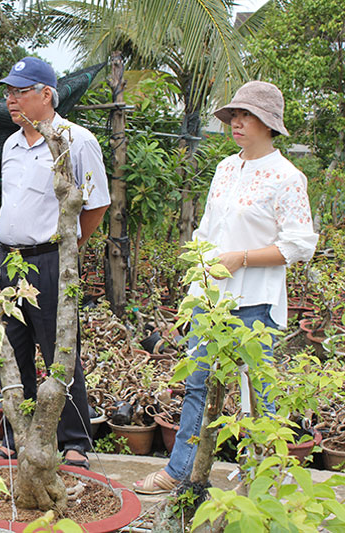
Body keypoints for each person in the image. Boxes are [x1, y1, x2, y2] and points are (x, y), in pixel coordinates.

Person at [133, 81, 318, 494]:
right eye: (234, 115)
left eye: (246, 115)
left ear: (268, 124)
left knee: (259, 394)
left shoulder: (287, 177)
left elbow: (300, 244)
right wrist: (196, 283)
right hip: (212, 301)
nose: (237, 122)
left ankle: (262, 478)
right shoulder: (225, 168)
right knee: (197, 384)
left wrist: (242, 258)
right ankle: (179, 471)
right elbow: (208, 230)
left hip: (256, 302)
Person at [0, 57, 110, 468]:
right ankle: (16, 435)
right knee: (14, 350)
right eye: (8, 92)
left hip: (50, 260)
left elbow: (95, 204)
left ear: (46, 94)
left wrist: (70, 247)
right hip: (9, 261)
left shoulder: (76, 139)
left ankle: (75, 440)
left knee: (60, 349)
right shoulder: (10, 143)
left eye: (20, 91)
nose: (11, 99)